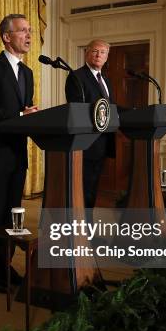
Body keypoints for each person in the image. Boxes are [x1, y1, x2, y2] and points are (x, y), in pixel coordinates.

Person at [0, 14, 38, 293]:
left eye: (30, 30)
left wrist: (33, 117)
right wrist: (19, 114)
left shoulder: (28, 73)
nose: (28, 35)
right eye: (22, 30)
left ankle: (7, 266)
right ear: (6, 36)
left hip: (17, 155)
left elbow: (25, 112)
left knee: (14, 215)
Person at [65, 39, 117, 209]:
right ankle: (82, 230)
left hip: (102, 142)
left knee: (92, 189)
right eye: (95, 51)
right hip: (85, 143)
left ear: (107, 57)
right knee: (83, 190)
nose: (98, 55)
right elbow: (77, 109)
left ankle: (88, 230)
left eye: (103, 52)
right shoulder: (77, 77)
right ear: (87, 53)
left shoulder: (106, 80)